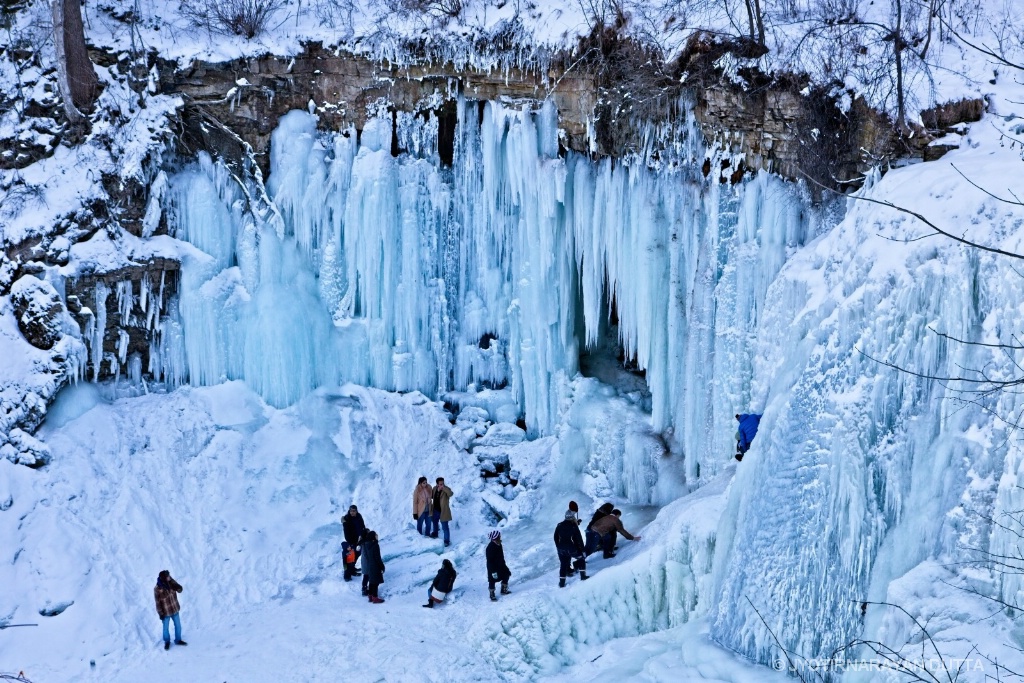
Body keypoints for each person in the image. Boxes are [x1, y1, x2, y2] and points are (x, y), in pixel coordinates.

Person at [154, 570, 187, 651]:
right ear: (163, 578)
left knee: (178, 626)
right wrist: (160, 613)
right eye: (167, 576)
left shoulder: (171, 582)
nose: (169, 577)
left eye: (169, 575)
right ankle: (167, 641)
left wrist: (179, 588)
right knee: (165, 628)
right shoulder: (157, 588)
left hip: (175, 609)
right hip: (166, 612)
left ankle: (178, 640)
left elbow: (179, 588)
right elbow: (157, 602)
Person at [554, 510, 588, 587]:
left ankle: (562, 583)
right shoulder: (574, 526)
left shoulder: (559, 525)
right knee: (581, 558)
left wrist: (558, 546)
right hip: (570, 548)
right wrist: (582, 550)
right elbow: (579, 539)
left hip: (560, 548)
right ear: (572, 517)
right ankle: (583, 576)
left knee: (563, 564)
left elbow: (555, 537)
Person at [485, 530, 511, 601]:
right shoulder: (490, 548)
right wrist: (493, 571)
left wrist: (503, 564)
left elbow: (501, 556)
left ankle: (503, 589)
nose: (500, 537)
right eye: (498, 536)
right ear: (495, 538)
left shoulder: (499, 544)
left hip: (501, 565)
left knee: (507, 574)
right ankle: (492, 594)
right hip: (493, 567)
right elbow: (490, 561)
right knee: (492, 580)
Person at [342, 505, 365, 581]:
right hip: (351, 541)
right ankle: (348, 574)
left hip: (359, 539)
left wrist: (363, 534)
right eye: (351, 511)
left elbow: (362, 526)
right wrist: (350, 542)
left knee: (358, 554)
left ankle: (352, 569)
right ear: (349, 511)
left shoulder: (359, 516)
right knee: (350, 558)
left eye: (354, 511)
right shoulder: (347, 519)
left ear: (356, 511)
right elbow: (346, 532)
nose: (352, 512)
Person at [362, 530, 386, 604]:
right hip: (375, 565)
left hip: (370, 565)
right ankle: (375, 597)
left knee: (372, 581)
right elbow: (377, 558)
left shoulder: (367, 544)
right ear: (373, 537)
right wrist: (382, 566)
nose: (377, 536)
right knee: (375, 582)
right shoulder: (375, 545)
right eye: (376, 535)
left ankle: (370, 595)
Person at [431, 477, 454, 546]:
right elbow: (432, 496)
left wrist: (443, 488)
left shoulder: (446, 489)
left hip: (443, 511)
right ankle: (435, 534)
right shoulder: (434, 488)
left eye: (443, 483)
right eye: (440, 484)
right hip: (435, 510)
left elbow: (450, 494)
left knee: (445, 527)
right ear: (437, 484)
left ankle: (446, 541)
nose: (442, 485)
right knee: (435, 523)